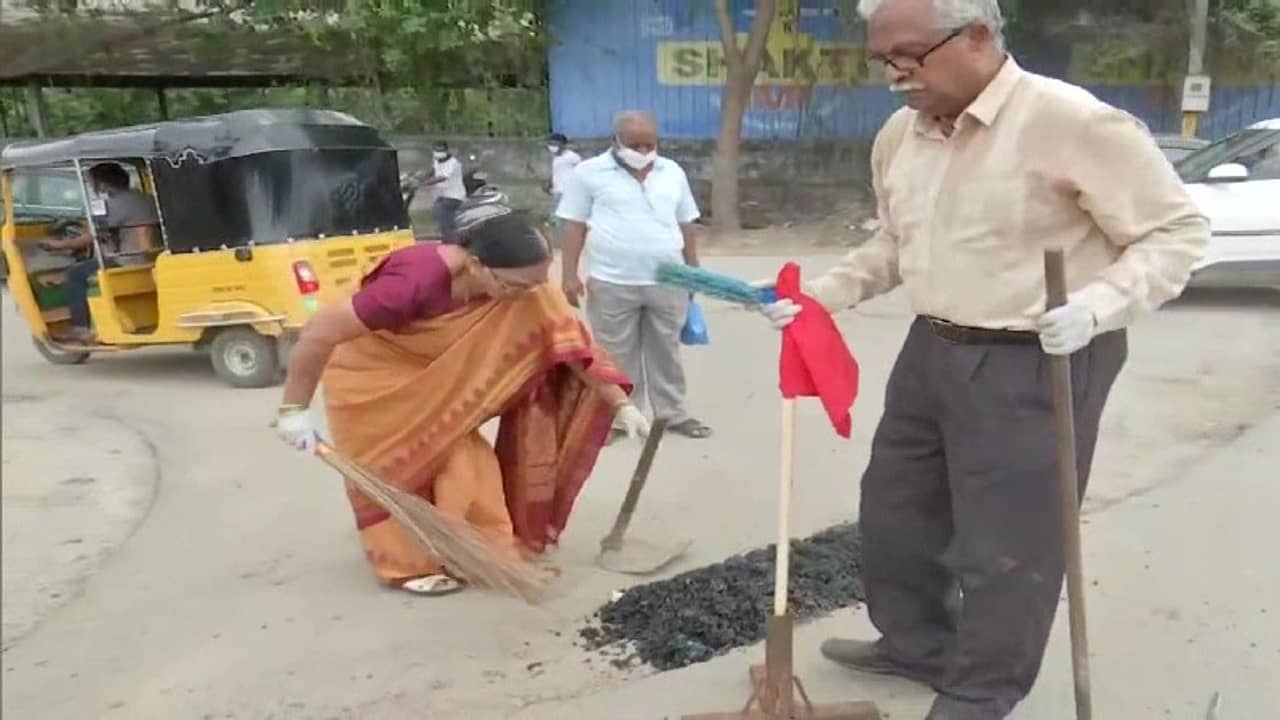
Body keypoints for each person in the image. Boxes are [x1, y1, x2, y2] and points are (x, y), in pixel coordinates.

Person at [758, 0, 1208, 718]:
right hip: (932, 346)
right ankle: (917, 643)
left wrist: (1099, 304)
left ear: (977, 37)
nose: (895, 76)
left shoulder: (1071, 122)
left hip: (1038, 356)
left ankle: (982, 688)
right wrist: (820, 296)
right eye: (883, 61)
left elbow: (1175, 232)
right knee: (896, 515)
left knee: (1008, 544)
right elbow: (894, 244)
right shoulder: (900, 134)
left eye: (910, 56)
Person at [273, 192, 649, 596]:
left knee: (468, 467)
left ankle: (478, 554)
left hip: (439, 381)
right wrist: (294, 409)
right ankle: (404, 565)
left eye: (537, 283)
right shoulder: (413, 283)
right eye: (515, 286)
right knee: (397, 469)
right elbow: (319, 334)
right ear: (475, 265)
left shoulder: (524, 284)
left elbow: (567, 343)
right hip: (374, 375)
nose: (528, 293)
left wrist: (620, 404)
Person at [556, 110, 712, 441]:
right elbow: (573, 224)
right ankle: (618, 417)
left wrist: (692, 269)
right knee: (614, 352)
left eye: (649, 145)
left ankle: (672, 414)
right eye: (634, 145)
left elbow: (686, 222)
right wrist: (569, 274)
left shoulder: (673, 172)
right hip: (612, 281)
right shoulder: (588, 174)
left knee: (666, 350)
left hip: (668, 280)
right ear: (616, 141)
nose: (642, 152)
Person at [39, 162, 159, 344]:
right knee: (85, 267)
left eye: (92, 183)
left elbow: (93, 236)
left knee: (76, 274)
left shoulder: (115, 204)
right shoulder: (147, 198)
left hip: (127, 261)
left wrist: (59, 245)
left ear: (103, 184)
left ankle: (81, 328)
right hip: (151, 258)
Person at [419, 141, 466, 242]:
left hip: (453, 196)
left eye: (441, 150)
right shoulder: (437, 159)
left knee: (442, 214)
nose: (438, 152)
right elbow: (433, 170)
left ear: (446, 150)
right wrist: (422, 177)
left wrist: (425, 183)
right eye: (436, 150)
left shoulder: (453, 163)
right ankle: (448, 238)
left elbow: (442, 177)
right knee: (438, 215)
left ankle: (451, 242)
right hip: (442, 195)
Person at [546, 132, 582, 210]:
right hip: (557, 192)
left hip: (568, 193)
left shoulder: (572, 156)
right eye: (550, 144)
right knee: (559, 217)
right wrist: (550, 184)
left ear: (562, 144)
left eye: (555, 144)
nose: (552, 147)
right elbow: (557, 173)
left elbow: (582, 171)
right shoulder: (556, 158)